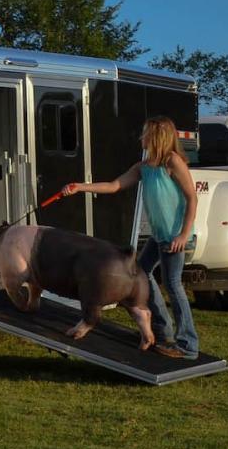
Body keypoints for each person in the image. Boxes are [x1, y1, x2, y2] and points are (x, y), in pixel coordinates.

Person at [62, 116, 199, 359]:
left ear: (157, 137)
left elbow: (192, 198)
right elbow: (114, 185)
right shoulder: (143, 167)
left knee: (173, 285)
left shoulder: (173, 162)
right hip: (159, 237)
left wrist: (183, 234)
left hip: (174, 237)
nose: (141, 138)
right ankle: (162, 329)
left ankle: (188, 344)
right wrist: (80, 187)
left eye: (145, 134)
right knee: (141, 274)